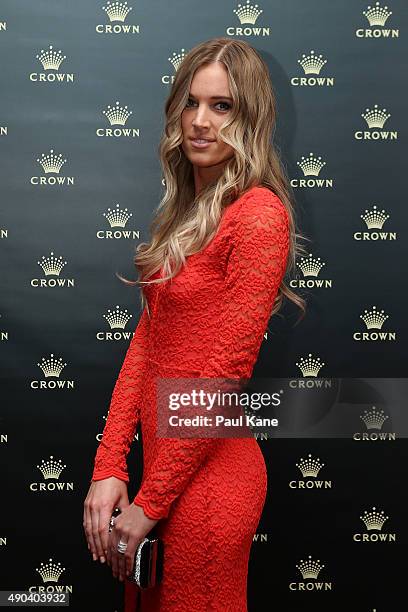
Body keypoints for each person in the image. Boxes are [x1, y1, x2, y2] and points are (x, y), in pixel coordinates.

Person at [83, 37, 306, 611]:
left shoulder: (259, 215)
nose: (201, 121)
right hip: (164, 469)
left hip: (209, 481)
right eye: (191, 102)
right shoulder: (186, 213)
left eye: (222, 106)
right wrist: (110, 464)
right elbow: (148, 345)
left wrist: (152, 502)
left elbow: (226, 375)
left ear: (250, 117)